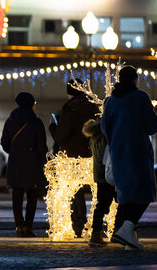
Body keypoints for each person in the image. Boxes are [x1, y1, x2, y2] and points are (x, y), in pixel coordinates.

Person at [102, 65, 157, 251]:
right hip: (138, 152)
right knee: (144, 193)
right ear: (135, 80)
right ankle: (126, 229)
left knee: (126, 194)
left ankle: (130, 241)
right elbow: (152, 126)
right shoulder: (141, 98)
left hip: (118, 153)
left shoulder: (110, 101)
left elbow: (104, 128)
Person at [49, 78, 100, 237]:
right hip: (93, 154)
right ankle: (96, 226)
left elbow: (61, 136)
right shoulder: (95, 106)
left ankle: (78, 223)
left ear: (69, 92)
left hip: (73, 156)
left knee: (74, 190)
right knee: (98, 191)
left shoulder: (70, 109)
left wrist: (53, 126)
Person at [1, 92, 48, 237]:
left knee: (17, 196)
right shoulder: (36, 122)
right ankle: (28, 226)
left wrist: (14, 151)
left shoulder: (10, 121)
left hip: (15, 162)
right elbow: (41, 146)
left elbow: (4, 143)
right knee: (32, 196)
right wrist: (44, 162)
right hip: (32, 163)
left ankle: (19, 226)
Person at [83, 115, 116, 247]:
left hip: (100, 173)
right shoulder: (106, 133)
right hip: (110, 172)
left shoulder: (94, 134)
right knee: (121, 201)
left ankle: (95, 233)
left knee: (101, 204)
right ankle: (118, 231)